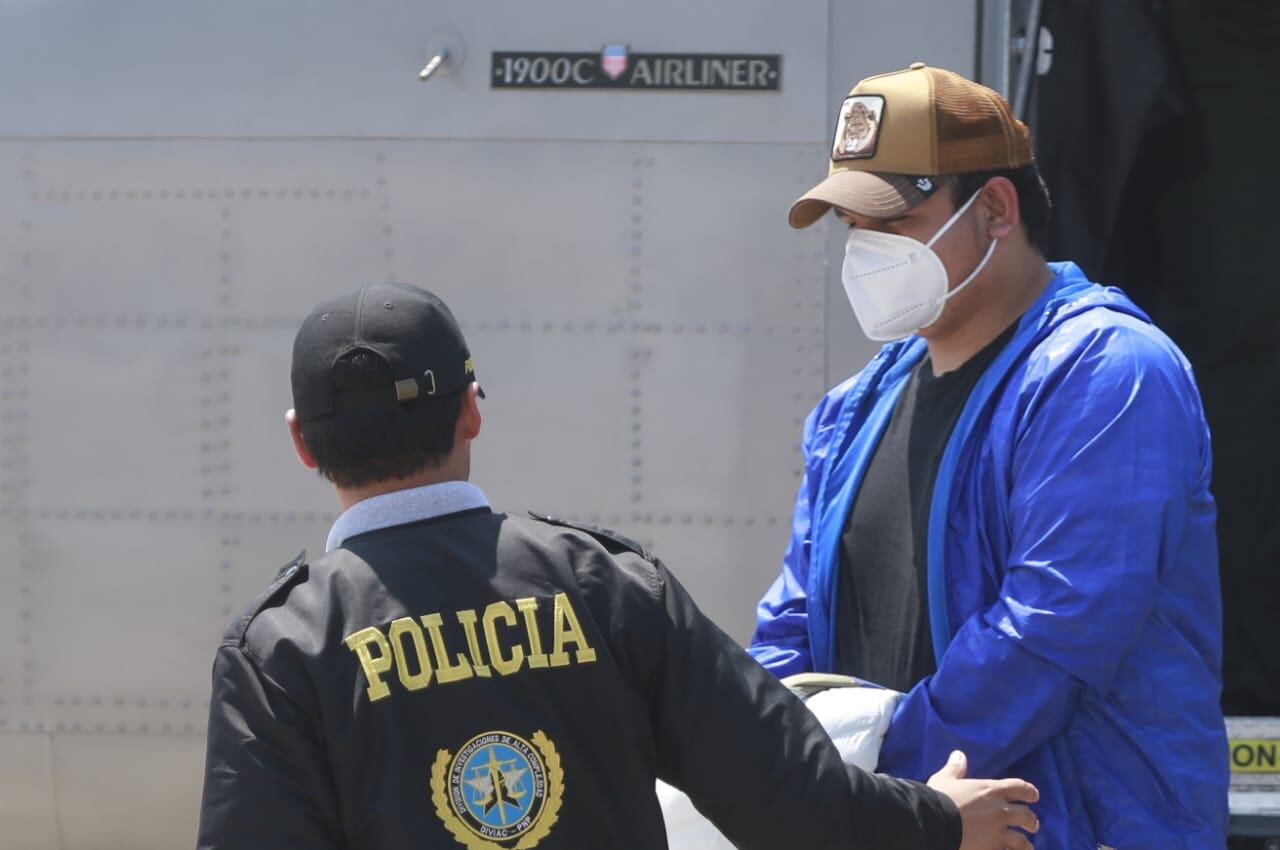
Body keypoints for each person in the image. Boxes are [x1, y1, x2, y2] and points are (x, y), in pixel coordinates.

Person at [195, 282, 1039, 850]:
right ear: (470, 411)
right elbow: (790, 798)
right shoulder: (608, 586)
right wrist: (942, 824)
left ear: (302, 439)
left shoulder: (280, 651)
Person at [748, 63, 1228, 850]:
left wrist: (869, 780)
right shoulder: (855, 407)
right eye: (852, 228)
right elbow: (793, 625)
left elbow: (1049, 633)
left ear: (996, 209)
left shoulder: (1108, 372)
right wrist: (771, 756)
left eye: (892, 221)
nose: (865, 251)